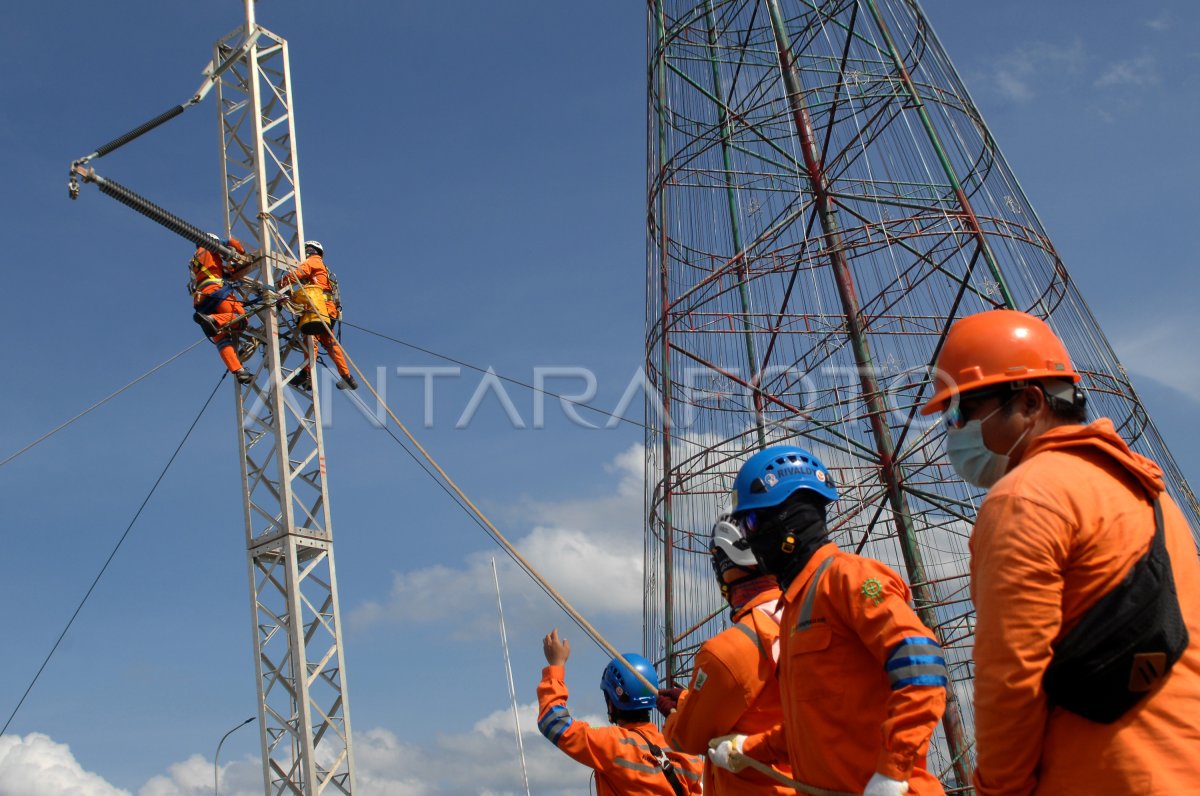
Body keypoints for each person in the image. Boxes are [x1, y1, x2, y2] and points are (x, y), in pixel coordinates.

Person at [920, 308, 1200, 795]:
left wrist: (999, 790)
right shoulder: (1148, 493)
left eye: (962, 411)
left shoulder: (1024, 496)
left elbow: (1010, 678)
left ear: (1029, 402)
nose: (955, 429)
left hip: (1099, 778)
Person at [709, 445, 948, 796]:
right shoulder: (794, 610)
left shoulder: (848, 579)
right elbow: (810, 726)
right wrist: (747, 750)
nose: (750, 536)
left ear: (788, 521)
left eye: (752, 522)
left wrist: (892, 773)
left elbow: (922, 666)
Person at [659, 517, 794, 794]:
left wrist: (674, 716)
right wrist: (688, 699)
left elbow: (686, 740)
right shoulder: (807, 619)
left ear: (723, 567)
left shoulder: (725, 652)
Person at [536, 629, 703, 795]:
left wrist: (555, 666)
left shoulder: (614, 745)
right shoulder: (688, 755)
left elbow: (552, 720)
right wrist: (685, 705)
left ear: (612, 703)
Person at [277, 240, 356, 390]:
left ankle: (307, 374)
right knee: (329, 343)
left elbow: (299, 273)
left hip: (319, 308)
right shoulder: (323, 269)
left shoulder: (313, 261)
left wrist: (279, 284)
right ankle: (347, 376)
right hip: (328, 309)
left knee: (310, 337)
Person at [190, 234, 252, 385]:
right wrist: (242, 254)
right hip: (215, 291)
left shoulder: (195, 259)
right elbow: (232, 242)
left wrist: (229, 271)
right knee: (240, 318)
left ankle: (238, 371)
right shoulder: (211, 245)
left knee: (222, 339)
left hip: (200, 299)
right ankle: (213, 320)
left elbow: (221, 271)